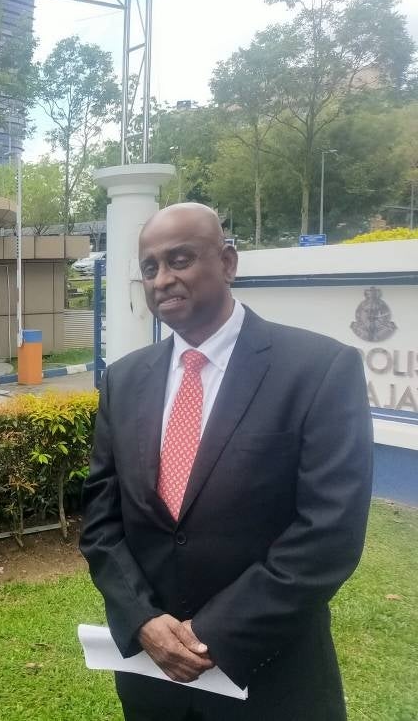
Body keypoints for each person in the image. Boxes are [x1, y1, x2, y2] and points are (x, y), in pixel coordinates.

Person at [79, 203, 373, 720]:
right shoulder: (123, 381)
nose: (163, 279)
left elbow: (329, 533)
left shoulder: (318, 370)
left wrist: (214, 633)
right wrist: (143, 619)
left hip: (272, 681)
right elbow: (102, 523)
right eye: (150, 268)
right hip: (154, 686)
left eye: (181, 259)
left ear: (229, 263)